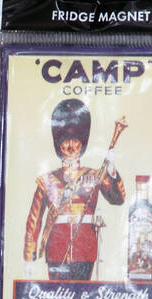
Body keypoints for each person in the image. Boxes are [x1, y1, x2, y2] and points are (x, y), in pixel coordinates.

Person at [23, 98, 125, 281]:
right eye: (65, 141)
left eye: (75, 141)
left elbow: (117, 199)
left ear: (82, 143)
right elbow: (34, 220)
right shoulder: (46, 180)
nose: (70, 146)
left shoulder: (95, 175)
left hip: (85, 247)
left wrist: (112, 171)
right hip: (56, 246)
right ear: (58, 144)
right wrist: (29, 258)